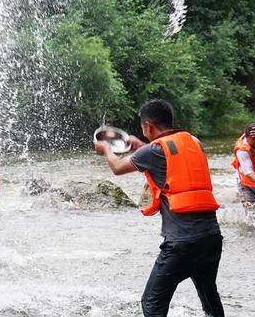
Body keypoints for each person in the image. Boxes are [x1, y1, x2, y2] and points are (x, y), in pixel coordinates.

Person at [94, 99, 224, 317]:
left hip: (182, 244)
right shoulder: (194, 142)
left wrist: (106, 149)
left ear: (148, 126)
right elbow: (171, 159)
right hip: (211, 238)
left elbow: (117, 167)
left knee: (151, 303)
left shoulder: (153, 151)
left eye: (144, 128)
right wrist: (142, 146)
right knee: (209, 294)